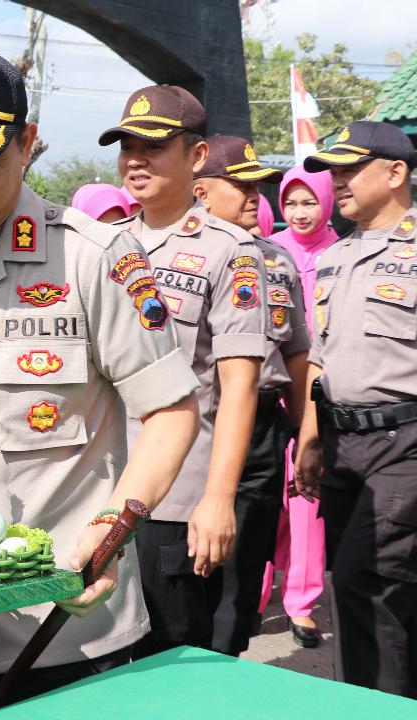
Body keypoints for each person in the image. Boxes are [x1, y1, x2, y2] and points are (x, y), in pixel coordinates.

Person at [0, 46, 200, 718]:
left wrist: (118, 520)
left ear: (26, 144)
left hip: (70, 623)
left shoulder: (96, 259)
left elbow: (171, 411)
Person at [98, 85, 267, 656]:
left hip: (175, 503)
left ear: (196, 157)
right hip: (100, 491)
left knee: (169, 663)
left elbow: (239, 386)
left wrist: (218, 499)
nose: (135, 160)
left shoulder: (233, 250)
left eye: (153, 146)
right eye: (126, 146)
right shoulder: (103, 245)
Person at [294, 121, 417, 698]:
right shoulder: (337, 255)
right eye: (332, 171)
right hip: (342, 446)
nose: (336, 183)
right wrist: (311, 440)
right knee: (358, 584)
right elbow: (322, 356)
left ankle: (372, 707)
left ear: (395, 173)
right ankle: (364, 700)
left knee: (369, 583)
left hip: (406, 443)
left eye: (350, 169)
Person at [190, 134, 311, 656]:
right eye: (238, 185)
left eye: (258, 186)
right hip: (192, 430)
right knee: (183, 576)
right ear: (200, 191)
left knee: (242, 580)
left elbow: (299, 357)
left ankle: (228, 670)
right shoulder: (168, 256)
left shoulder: (276, 260)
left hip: (261, 431)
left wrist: (307, 435)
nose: (252, 196)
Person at [260, 165, 338, 647]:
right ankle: (257, 590)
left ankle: (301, 601)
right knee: (269, 493)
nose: (300, 212)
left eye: (310, 201)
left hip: (321, 390)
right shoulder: (270, 252)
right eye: (291, 202)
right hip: (272, 387)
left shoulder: (342, 253)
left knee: (307, 492)